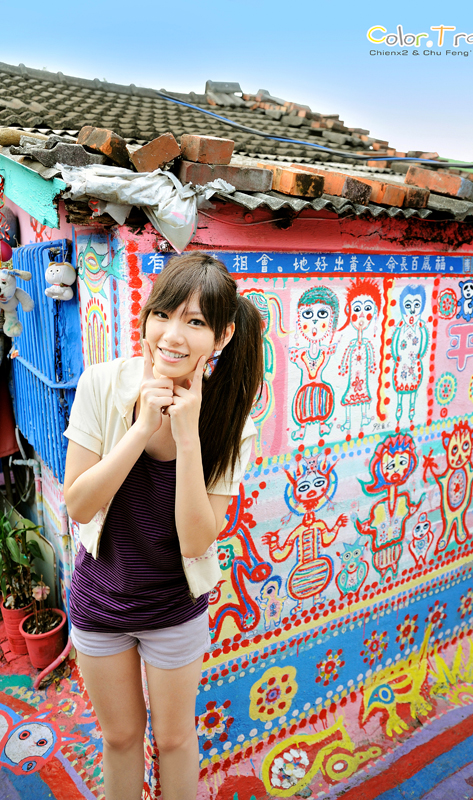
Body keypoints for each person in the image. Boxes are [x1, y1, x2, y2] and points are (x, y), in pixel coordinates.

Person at [63, 252, 263, 800]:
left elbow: (197, 540)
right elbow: (79, 504)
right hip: (100, 601)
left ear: (221, 336)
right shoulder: (102, 384)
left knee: (174, 740)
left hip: (174, 609)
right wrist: (141, 427)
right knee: (120, 737)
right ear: (146, 317)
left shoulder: (229, 419)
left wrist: (188, 435)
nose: (172, 335)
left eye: (194, 322)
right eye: (163, 314)